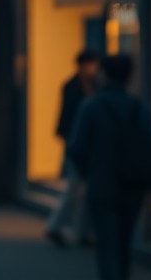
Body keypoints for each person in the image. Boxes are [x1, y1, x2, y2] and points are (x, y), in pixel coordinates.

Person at [67, 54, 151, 280]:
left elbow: (76, 148)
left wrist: (88, 174)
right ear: (129, 76)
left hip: (101, 186)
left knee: (106, 245)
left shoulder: (91, 107)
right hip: (132, 187)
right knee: (124, 243)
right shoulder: (138, 108)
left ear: (103, 75)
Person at [46, 49, 99, 248]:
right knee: (75, 188)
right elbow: (67, 115)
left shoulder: (95, 85)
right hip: (77, 144)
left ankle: (83, 232)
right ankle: (56, 227)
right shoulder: (73, 86)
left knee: (84, 190)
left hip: (87, 144)